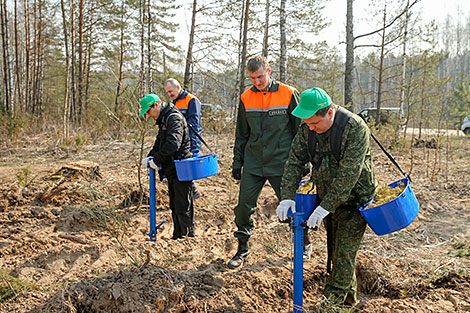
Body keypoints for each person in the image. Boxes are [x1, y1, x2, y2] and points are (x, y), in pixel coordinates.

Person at [276, 87, 377, 307]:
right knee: (335, 253)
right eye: (308, 124)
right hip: (328, 199)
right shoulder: (307, 129)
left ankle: (328, 307)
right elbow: (294, 162)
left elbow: (348, 175)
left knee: (343, 256)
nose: (311, 128)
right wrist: (287, 197)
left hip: (355, 201)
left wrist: (324, 208)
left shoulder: (355, 129)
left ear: (329, 112)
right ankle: (348, 304)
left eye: (315, 124)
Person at [229, 55, 304, 269]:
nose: (257, 82)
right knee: (243, 206)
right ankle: (243, 247)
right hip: (254, 162)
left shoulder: (288, 93)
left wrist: (302, 161)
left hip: (282, 162)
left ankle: (303, 242)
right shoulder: (246, 98)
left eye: (260, 76)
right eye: (252, 78)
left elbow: (300, 131)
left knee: (292, 205)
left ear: (268, 71)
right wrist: (237, 162)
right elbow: (241, 134)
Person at [139, 94, 195, 239]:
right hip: (172, 169)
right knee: (175, 205)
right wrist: (150, 156)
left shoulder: (173, 118)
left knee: (183, 205)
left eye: (149, 111)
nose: (149, 115)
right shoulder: (164, 119)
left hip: (181, 167)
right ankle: (178, 236)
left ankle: (187, 237)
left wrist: (157, 160)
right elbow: (160, 143)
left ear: (156, 105)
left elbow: (173, 144)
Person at [164, 78, 202, 199]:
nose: (170, 94)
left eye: (171, 91)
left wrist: (193, 145)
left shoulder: (192, 100)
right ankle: (190, 192)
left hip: (190, 142)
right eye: (167, 92)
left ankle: (192, 192)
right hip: (179, 141)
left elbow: (194, 125)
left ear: (178, 87)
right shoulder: (174, 103)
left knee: (187, 169)